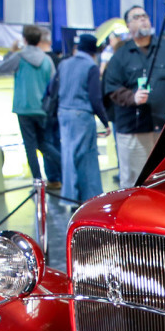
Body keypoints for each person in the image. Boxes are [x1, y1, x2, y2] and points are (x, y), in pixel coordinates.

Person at [103, 5, 165, 188]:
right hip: (134, 129)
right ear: (128, 25)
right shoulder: (120, 56)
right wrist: (131, 97)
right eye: (136, 17)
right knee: (135, 182)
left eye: (145, 16)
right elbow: (111, 87)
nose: (143, 19)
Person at [0, 24, 61, 191]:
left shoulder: (19, 57)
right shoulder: (47, 60)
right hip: (42, 108)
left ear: (24, 39)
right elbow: (54, 83)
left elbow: (0, 68)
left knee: (30, 147)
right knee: (44, 143)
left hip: (24, 109)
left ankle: (37, 181)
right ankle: (66, 166)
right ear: (40, 40)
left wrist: (12, 51)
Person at [57, 33, 109, 205]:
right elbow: (95, 98)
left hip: (63, 114)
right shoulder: (90, 67)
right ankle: (90, 201)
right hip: (82, 116)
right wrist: (105, 121)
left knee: (69, 158)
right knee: (87, 160)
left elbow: (51, 89)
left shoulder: (63, 64)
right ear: (94, 51)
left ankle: (70, 198)